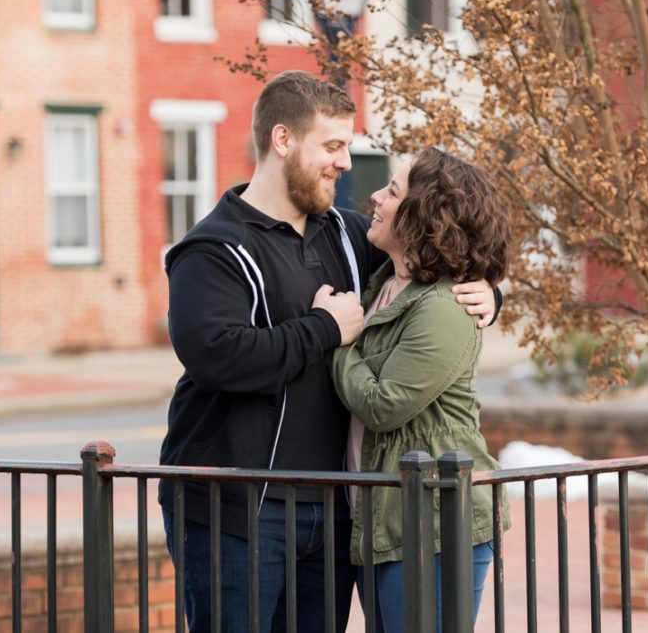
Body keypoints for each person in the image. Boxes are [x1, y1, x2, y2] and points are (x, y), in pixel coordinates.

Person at [158, 71, 501, 633]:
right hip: (236, 509)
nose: (346, 162)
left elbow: (428, 265)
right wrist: (324, 327)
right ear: (283, 139)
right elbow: (215, 355)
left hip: (336, 508)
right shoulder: (212, 248)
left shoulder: (347, 232)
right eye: (333, 145)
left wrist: (487, 289)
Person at [331, 147, 515, 633]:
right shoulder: (385, 283)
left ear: (425, 217)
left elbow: (382, 405)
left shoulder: (442, 306)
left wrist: (335, 338)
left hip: (432, 525)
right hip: (386, 519)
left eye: (392, 191)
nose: (373, 195)